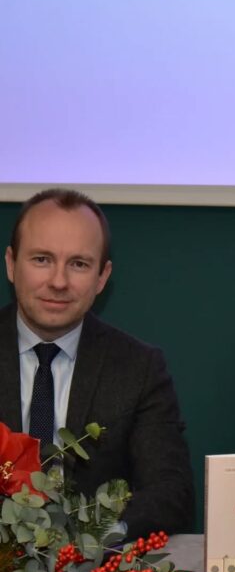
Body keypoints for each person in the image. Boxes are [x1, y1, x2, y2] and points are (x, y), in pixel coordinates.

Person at [1, 188, 194, 538]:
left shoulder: (139, 368)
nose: (59, 281)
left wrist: (88, 539)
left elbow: (171, 494)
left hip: (94, 564)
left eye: (78, 264)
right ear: (11, 264)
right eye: (42, 259)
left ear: (102, 277)